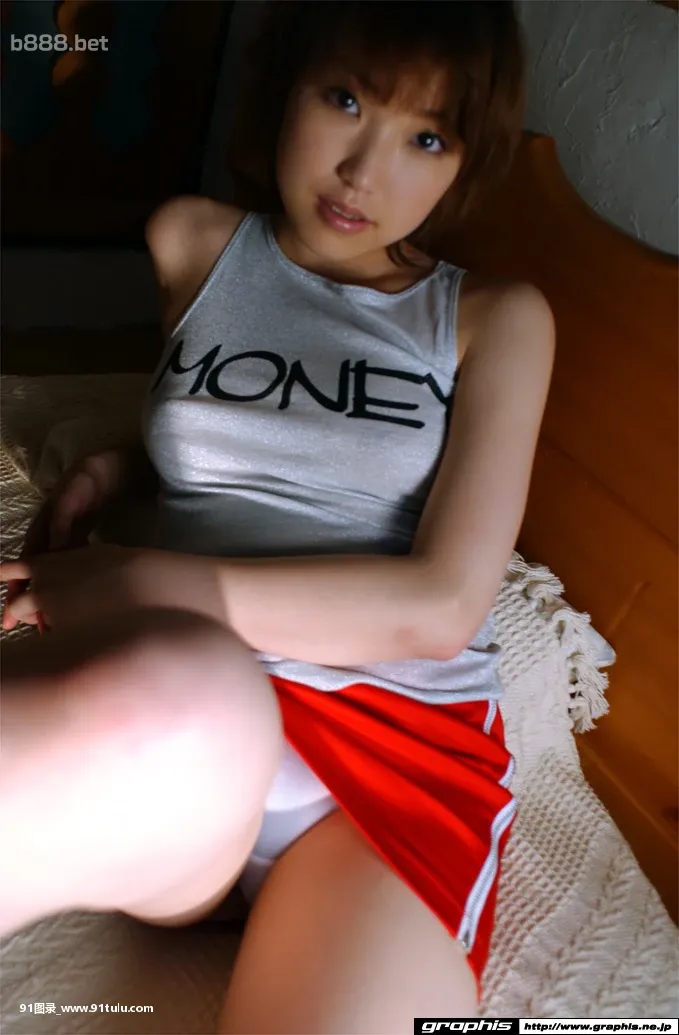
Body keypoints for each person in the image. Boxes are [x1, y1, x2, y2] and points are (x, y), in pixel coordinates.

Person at [0, 1, 556, 1030]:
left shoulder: (493, 318)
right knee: (187, 688)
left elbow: (439, 606)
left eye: (425, 138)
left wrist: (137, 577)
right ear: (284, 86)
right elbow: (233, 431)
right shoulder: (194, 242)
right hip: (190, 710)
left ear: (464, 159)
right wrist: (123, 462)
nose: (362, 172)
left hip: (392, 757)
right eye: (344, 99)